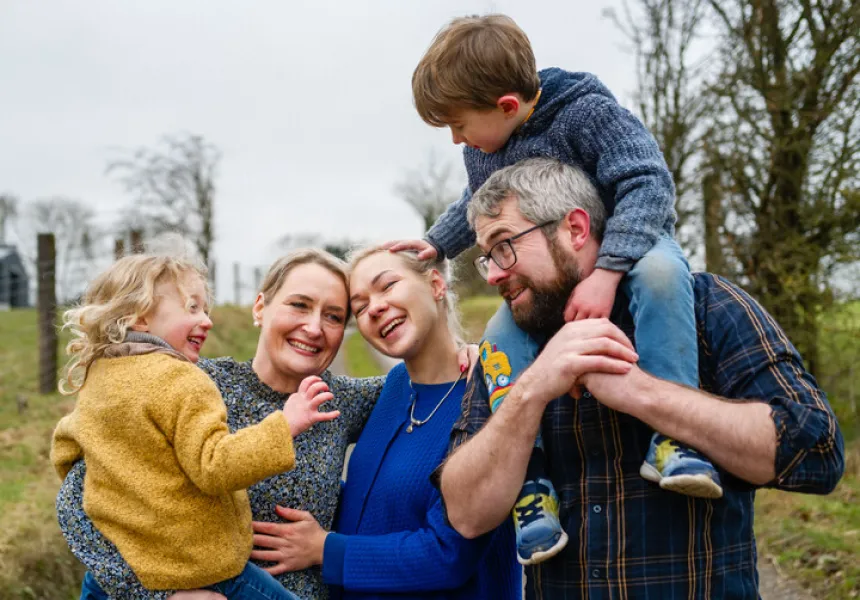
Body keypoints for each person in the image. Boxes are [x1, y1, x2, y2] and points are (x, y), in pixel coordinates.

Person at [391, 13, 719, 565]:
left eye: (458, 124)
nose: (455, 138)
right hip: (559, 270)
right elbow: (475, 201)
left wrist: (609, 271)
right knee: (499, 335)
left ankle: (675, 437)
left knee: (664, 278)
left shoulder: (587, 114)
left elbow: (647, 181)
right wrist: (438, 244)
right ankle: (532, 482)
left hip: (630, 241)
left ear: (507, 107)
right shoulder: (485, 148)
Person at [437, 158, 845, 598]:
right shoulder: (509, 351)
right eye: (486, 258)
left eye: (504, 246)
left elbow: (815, 455)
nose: (495, 273)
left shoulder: (705, 307)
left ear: (575, 229)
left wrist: (643, 393)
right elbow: (464, 513)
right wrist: (531, 392)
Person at [57, 249, 387, 600]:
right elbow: (76, 507)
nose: (314, 327)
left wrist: (324, 547)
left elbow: (430, 379)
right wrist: (157, 597)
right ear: (260, 308)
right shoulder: (186, 382)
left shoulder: (338, 402)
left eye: (334, 317)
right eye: (299, 305)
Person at [254, 245, 519, 600]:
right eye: (360, 307)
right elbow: (377, 499)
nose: (374, 307)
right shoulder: (394, 387)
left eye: (388, 285)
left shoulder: (488, 395)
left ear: (436, 284)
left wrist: (325, 549)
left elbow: (451, 554)